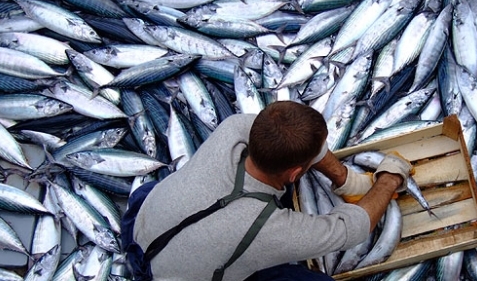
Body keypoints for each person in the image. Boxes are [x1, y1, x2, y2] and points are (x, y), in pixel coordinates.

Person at [121, 100, 412, 281]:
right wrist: (387, 180)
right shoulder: (270, 230)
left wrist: (346, 179)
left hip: (141, 229)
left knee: (151, 192)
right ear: (296, 173)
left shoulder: (233, 128)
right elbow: (353, 229)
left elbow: (306, 143)